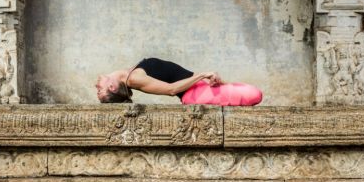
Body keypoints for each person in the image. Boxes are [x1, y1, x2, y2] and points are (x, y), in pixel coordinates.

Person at [95, 57, 263, 106]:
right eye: (99, 90)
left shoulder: (131, 73)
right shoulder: (134, 79)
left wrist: (209, 79)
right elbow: (171, 89)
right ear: (112, 87)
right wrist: (202, 75)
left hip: (200, 90)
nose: (96, 87)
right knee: (254, 93)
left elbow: (179, 75)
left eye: (98, 90)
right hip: (194, 95)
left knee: (247, 90)